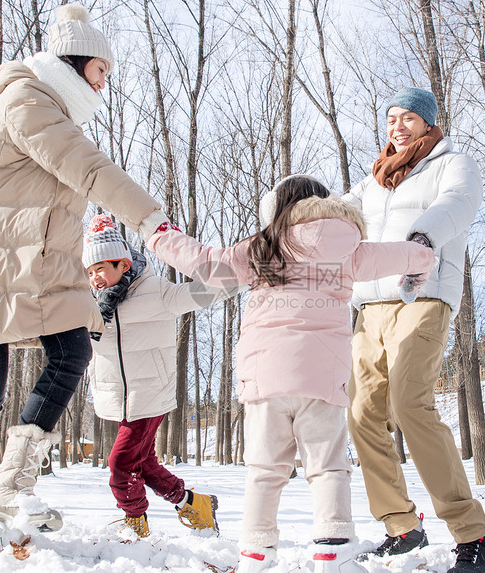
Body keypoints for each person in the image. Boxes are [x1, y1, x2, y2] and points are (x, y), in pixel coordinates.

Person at [0, 4, 170, 531]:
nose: (104, 85)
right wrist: (150, 216)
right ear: (76, 61)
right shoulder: (26, 101)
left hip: (29, 269)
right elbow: (84, 167)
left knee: (70, 352)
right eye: (101, 72)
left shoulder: (48, 109)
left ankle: (10, 488)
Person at [146, 175, 436, 573]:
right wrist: (421, 261)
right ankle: (333, 548)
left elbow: (205, 264)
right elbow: (405, 254)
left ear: (278, 209)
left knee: (265, 470)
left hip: (265, 377)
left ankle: (256, 553)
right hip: (323, 377)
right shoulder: (349, 246)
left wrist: (160, 234)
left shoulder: (266, 247)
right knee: (328, 466)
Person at [343, 87, 485, 573]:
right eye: (391, 118)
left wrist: (422, 239)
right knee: (363, 414)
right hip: (370, 306)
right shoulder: (372, 182)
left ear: (428, 123)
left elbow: (458, 203)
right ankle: (401, 526)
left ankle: (473, 533)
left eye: (408, 117)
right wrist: (291, 222)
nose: (397, 126)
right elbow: (335, 214)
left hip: (423, 293)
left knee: (410, 404)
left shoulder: (452, 163)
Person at [82, 214, 234, 538]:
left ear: (123, 264)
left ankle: (135, 526)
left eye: (101, 269)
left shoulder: (155, 291)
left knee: (120, 466)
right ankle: (195, 505)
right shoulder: (91, 305)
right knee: (144, 464)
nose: (95, 277)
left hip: (150, 395)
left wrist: (235, 275)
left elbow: (201, 293)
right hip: (121, 399)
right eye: (90, 271)